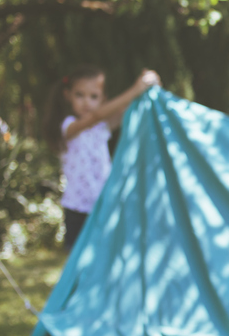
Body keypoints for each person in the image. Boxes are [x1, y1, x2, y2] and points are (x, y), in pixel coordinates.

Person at [45, 65, 159, 250]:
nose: (86, 102)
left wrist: (148, 87)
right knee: (77, 259)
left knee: (102, 256)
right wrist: (134, 90)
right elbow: (96, 116)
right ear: (67, 96)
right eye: (79, 95)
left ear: (103, 99)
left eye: (94, 97)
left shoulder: (101, 128)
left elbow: (125, 111)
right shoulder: (69, 127)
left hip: (102, 204)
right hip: (77, 209)